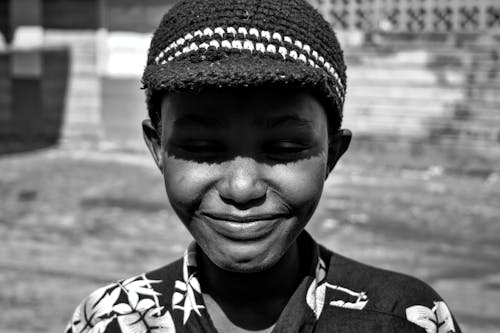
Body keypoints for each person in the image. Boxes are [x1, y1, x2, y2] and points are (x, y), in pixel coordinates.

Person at [66, 0, 461, 332]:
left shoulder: (405, 318)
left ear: (332, 155)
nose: (241, 188)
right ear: (159, 149)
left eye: (285, 147)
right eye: (201, 147)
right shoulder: (110, 320)